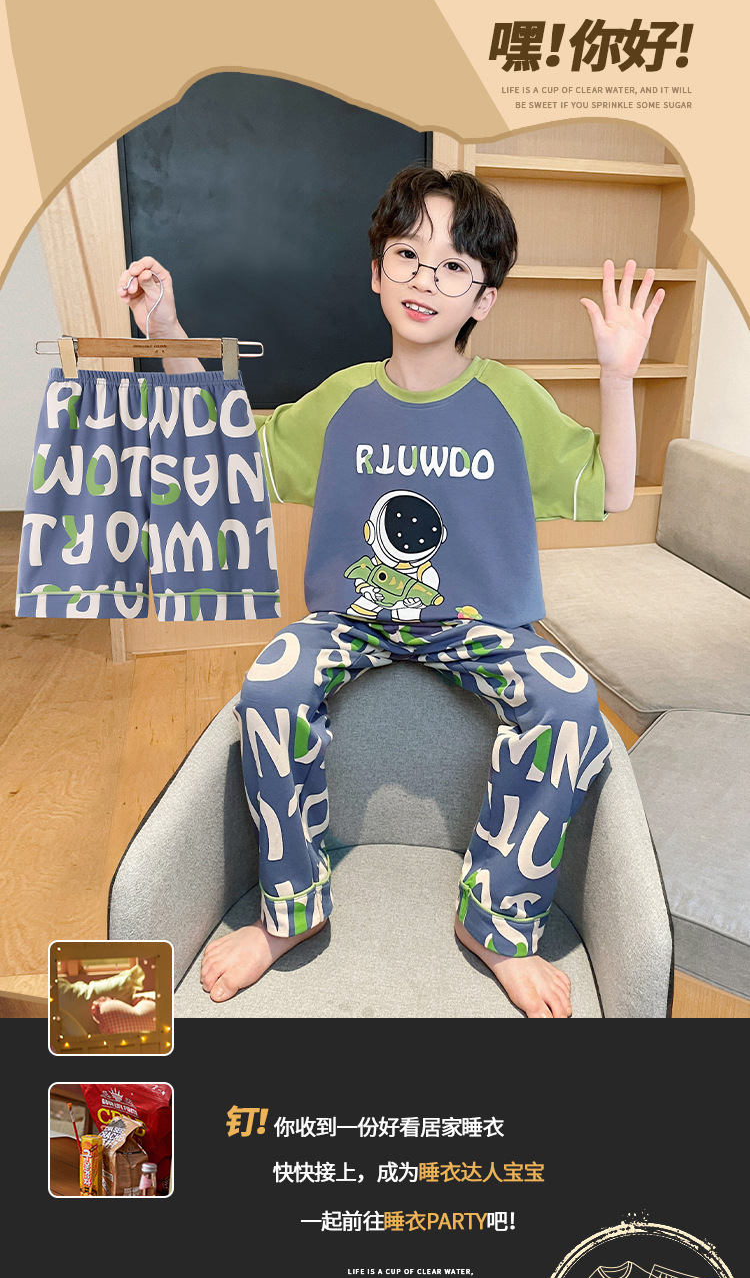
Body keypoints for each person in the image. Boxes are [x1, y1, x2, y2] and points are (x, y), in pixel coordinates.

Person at [117, 166, 663, 1019]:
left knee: (566, 697)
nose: (425, 278)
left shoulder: (511, 401)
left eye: (454, 266)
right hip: (354, 618)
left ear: (483, 298)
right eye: (408, 255)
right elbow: (232, 452)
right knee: (270, 683)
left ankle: (497, 925)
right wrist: (167, 332)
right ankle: (289, 911)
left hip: (480, 625)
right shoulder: (341, 399)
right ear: (376, 271)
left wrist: (618, 376)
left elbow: (617, 489)